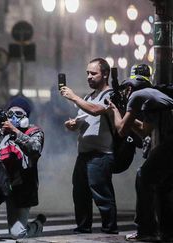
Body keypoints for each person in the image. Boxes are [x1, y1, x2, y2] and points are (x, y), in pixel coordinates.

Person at [107, 72, 173, 242]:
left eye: (124, 91)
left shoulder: (136, 96)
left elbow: (121, 130)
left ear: (130, 88)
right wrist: (126, 116)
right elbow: (144, 131)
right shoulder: (152, 97)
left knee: (143, 176)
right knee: (162, 186)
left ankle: (146, 230)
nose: (124, 95)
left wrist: (115, 110)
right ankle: (166, 232)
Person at [60, 58, 118, 234]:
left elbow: (95, 110)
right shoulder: (88, 97)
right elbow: (83, 119)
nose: (89, 77)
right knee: (80, 193)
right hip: (84, 154)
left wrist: (73, 97)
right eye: (87, 73)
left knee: (102, 195)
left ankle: (110, 229)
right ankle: (83, 227)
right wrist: (73, 124)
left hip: (101, 155)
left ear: (105, 74)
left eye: (93, 73)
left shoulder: (110, 95)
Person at [0, 96, 46, 239]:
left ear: (26, 116)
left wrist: (14, 131)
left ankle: (36, 225)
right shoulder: (0, 130)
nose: (14, 117)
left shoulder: (34, 131)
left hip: (22, 186)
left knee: (16, 234)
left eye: (19, 114)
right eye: (10, 114)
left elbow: (35, 148)